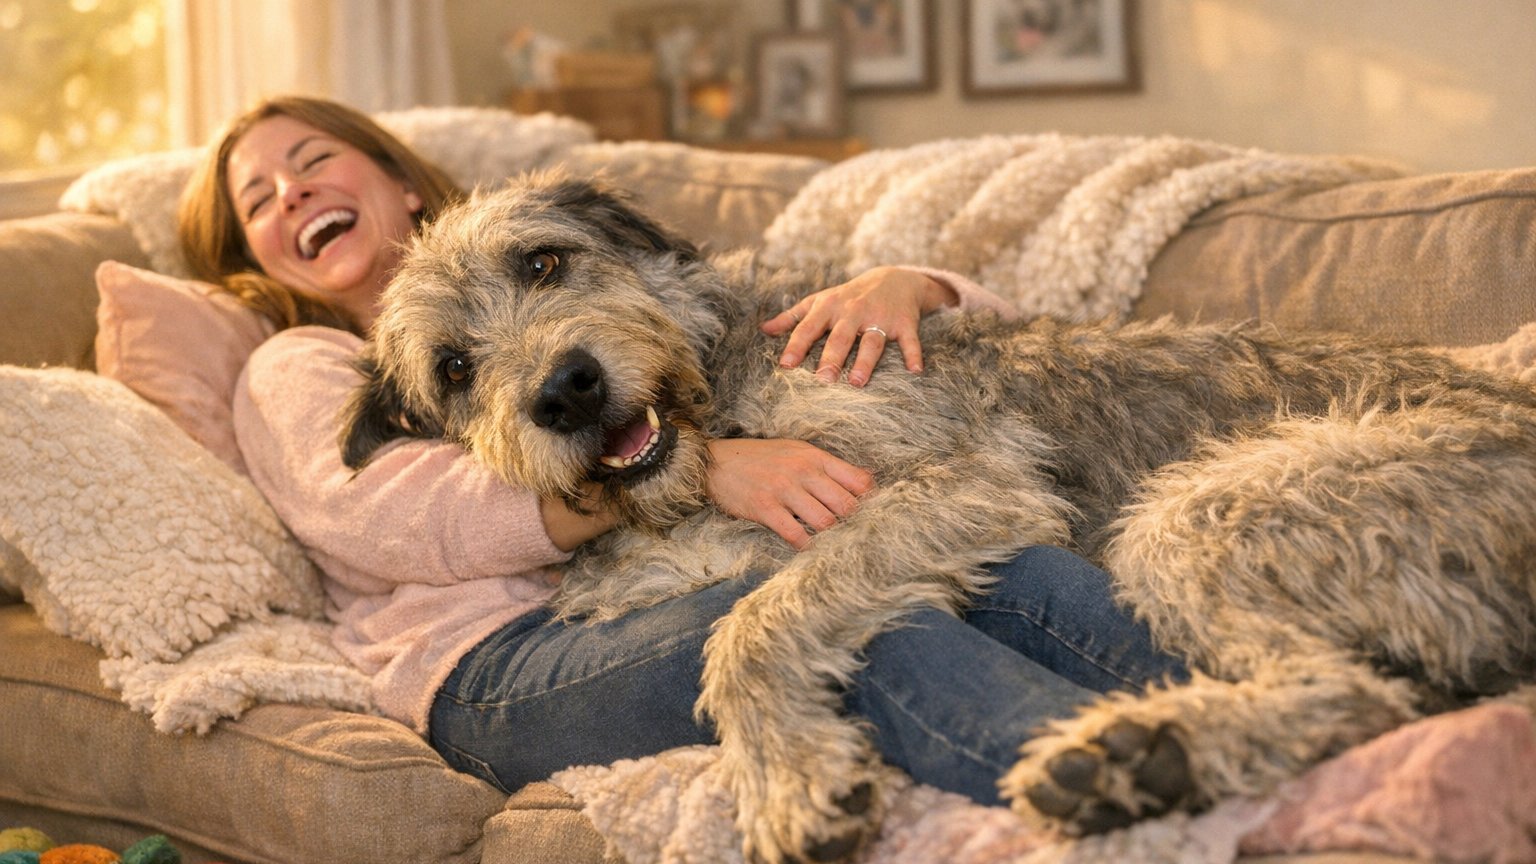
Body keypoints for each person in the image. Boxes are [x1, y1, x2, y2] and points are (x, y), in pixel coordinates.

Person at [179, 94, 1188, 808]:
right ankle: (1163, 788)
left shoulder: (555, 251)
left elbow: (758, 310)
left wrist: (913, 286)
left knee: (1005, 571)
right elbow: (397, 517)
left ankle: (1225, 712)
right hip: (493, 663)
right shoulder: (298, 363)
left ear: (398, 179)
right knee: (851, 630)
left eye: (310, 161)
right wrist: (712, 464)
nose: (292, 194)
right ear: (249, 259)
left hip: (634, 587)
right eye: (257, 201)